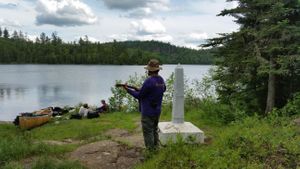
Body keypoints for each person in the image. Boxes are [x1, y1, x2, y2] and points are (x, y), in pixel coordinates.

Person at [122, 59, 166, 150]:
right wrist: (140, 89)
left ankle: (150, 152)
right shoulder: (161, 79)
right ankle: (156, 148)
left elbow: (139, 96)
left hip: (148, 112)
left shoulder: (148, 81)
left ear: (149, 70)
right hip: (157, 110)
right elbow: (162, 89)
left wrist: (128, 90)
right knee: (154, 130)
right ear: (158, 70)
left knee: (148, 132)